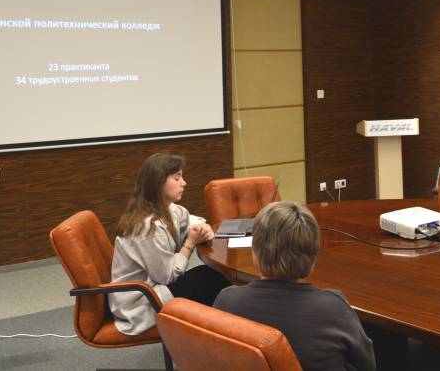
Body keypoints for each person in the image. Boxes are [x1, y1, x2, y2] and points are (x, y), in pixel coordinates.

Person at [214, 200, 376, 371]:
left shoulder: (227, 301)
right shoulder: (335, 308)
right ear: (313, 255)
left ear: (255, 250)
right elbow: (367, 365)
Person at [110, 152, 230, 335]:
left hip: (154, 286)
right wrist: (190, 242)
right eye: (177, 178)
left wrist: (201, 228)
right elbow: (167, 276)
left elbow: (189, 219)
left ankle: (207, 339)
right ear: (159, 183)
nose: (184, 183)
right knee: (214, 281)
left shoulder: (166, 208)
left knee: (213, 275)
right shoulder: (146, 226)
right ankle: (210, 342)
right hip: (141, 301)